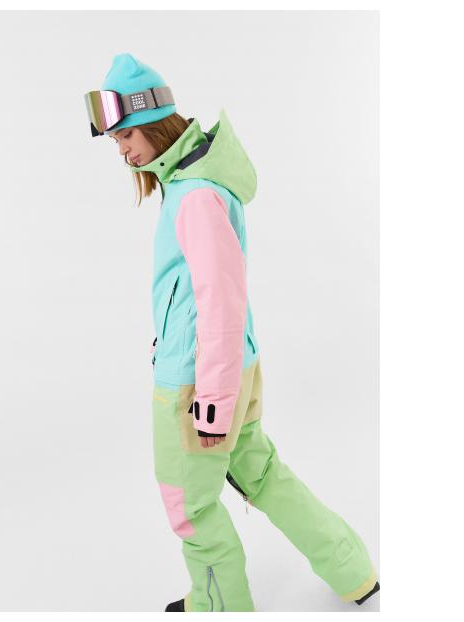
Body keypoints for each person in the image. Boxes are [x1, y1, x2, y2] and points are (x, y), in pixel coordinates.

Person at [84, 52, 380, 612]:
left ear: (152, 122)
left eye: (125, 136)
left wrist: (212, 404)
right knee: (261, 473)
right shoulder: (193, 184)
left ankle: (220, 607)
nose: (121, 150)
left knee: (189, 507)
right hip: (231, 368)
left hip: (197, 383)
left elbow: (220, 303)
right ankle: (351, 568)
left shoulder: (194, 195)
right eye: (115, 140)